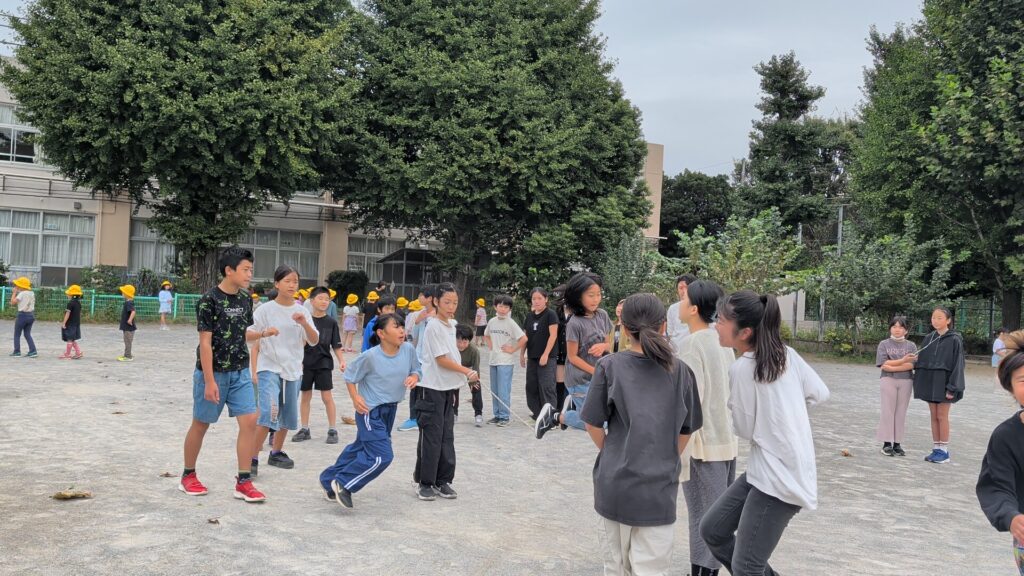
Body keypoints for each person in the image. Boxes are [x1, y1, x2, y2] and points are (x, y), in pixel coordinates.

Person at [700, 291, 830, 576]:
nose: (715, 326)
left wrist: (779, 416)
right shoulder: (787, 355)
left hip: (779, 478)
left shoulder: (743, 368)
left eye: (720, 321)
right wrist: (786, 412)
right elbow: (819, 393)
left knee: (746, 566)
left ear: (745, 332)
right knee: (713, 530)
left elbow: (745, 429)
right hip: (766, 469)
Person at [580, 293, 703, 576]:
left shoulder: (609, 366)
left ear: (623, 327)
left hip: (614, 485)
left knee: (615, 568)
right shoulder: (682, 372)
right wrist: (663, 455)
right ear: (663, 326)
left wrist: (613, 451)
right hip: (658, 492)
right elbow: (686, 430)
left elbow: (592, 424)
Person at [179, 247, 267, 502]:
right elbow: (205, 342)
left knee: (250, 421)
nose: (250, 275)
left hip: (239, 372)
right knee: (201, 423)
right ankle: (188, 475)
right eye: (245, 270)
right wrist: (209, 381)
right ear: (229, 270)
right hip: (213, 373)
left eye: (251, 270)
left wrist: (263, 334)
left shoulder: (245, 299)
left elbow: (241, 333)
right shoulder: (209, 300)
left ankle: (244, 481)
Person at [320, 313, 421, 508]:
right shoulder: (370, 356)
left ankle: (328, 479)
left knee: (361, 448)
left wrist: (414, 377)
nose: (402, 331)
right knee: (381, 456)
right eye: (396, 327)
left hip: (390, 410)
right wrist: (355, 397)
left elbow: (416, 369)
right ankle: (343, 484)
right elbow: (350, 376)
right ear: (381, 333)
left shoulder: (408, 349)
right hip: (370, 412)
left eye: (402, 326)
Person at [678, 280, 738, 576]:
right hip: (725, 440)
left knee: (703, 519)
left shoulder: (691, 344)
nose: (679, 302)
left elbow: (691, 400)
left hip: (702, 444)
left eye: (684, 298)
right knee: (717, 520)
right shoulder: (721, 340)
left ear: (694, 309)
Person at [248, 265, 319, 474]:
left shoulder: (302, 311)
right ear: (277, 284)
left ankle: (276, 452)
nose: (292, 285)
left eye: (295, 281)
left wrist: (304, 324)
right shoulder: (264, 310)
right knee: (269, 412)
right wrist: (264, 333)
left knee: (288, 414)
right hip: (269, 367)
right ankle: (251, 458)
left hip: (293, 369)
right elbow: (247, 335)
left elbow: (314, 340)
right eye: (287, 281)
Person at [413, 282, 476, 501]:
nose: (451, 307)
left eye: (455, 302)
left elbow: (453, 354)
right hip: (431, 388)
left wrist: (464, 373)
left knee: (446, 435)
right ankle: (425, 482)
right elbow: (441, 360)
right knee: (431, 435)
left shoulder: (453, 325)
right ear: (436, 301)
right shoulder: (433, 326)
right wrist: (466, 371)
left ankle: (443, 480)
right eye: (447, 302)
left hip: (450, 388)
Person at [535, 272, 613, 437]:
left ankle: (572, 406)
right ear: (578, 296)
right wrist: (596, 371)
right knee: (596, 422)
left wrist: (603, 346)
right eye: (591, 295)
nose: (596, 299)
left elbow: (609, 344)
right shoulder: (575, 323)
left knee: (608, 416)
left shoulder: (603, 315)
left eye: (598, 294)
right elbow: (572, 357)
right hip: (580, 379)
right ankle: (555, 417)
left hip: (598, 377)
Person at [977, 330, 1024, 574]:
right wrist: (1011, 516)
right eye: (1023, 380)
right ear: (1011, 388)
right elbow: (996, 485)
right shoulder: (1005, 436)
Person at [911, 306, 966, 464]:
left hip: (945, 383)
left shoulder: (955, 339)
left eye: (940, 318)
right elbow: (922, 360)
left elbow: (958, 364)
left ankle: (944, 451)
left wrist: (952, 387)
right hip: (930, 382)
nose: (935, 321)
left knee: (942, 416)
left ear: (948, 320)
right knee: (933, 416)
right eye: (933, 317)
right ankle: (936, 448)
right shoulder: (929, 338)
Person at [293, 287, 347, 445]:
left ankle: (332, 429)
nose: (324, 302)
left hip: (324, 363)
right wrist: (298, 362)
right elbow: (299, 343)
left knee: (327, 397)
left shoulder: (331, 322)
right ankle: (304, 429)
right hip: (306, 363)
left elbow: (336, 345)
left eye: (327, 299)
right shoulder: (305, 320)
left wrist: (342, 360)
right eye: (321, 298)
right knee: (305, 396)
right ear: (311, 301)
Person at [875, 316, 917, 457]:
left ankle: (897, 444)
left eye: (901, 327)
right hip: (888, 380)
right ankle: (887, 444)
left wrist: (892, 366)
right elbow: (882, 364)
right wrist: (903, 361)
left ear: (906, 330)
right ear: (890, 329)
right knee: (888, 411)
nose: (897, 329)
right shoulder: (884, 344)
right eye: (894, 326)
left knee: (901, 412)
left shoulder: (911, 346)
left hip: (906, 381)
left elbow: (911, 365)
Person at [484, 294, 527, 426]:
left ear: (510, 309)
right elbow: (486, 335)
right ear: (495, 307)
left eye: (506, 307)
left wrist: (513, 349)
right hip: (493, 360)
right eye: (500, 306)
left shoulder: (511, 323)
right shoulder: (492, 321)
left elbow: (523, 338)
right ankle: (497, 415)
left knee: (503, 390)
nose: (503, 309)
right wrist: (491, 347)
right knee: (495, 390)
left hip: (506, 361)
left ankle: (504, 416)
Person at [398, 285, 435, 432]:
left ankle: (426, 418)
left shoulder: (439, 315)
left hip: (432, 358)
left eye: (421, 295)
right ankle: (413, 418)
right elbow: (413, 335)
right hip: (419, 356)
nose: (419, 298)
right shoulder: (420, 314)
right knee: (415, 388)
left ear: (430, 298)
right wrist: (418, 321)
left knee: (429, 389)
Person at [522, 287, 559, 420]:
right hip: (532, 356)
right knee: (531, 386)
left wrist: (545, 354)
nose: (536, 301)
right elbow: (525, 336)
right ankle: (537, 413)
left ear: (546, 299)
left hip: (547, 357)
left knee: (547, 386)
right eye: (534, 299)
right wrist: (522, 354)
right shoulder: (529, 316)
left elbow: (553, 335)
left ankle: (550, 417)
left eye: (539, 298)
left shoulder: (550, 314)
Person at [455, 324, 484, 426]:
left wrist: (473, 381)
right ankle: (453, 413)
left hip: (470, 370)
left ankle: (478, 414)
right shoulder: (451, 348)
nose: (461, 345)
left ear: (469, 341)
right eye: (459, 342)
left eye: (464, 342)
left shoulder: (474, 351)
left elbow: (476, 368)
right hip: (455, 370)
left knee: (476, 388)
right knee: (453, 390)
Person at [666, 274, 697, 353]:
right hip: (676, 352)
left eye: (687, 287)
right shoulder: (672, 309)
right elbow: (670, 333)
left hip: (693, 350)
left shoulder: (701, 307)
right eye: (680, 288)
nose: (684, 291)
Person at [10, 276, 37, 358]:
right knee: (27, 334)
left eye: (17, 285)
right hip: (31, 315)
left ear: (21, 286)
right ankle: (33, 351)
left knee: (17, 334)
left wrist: (14, 293)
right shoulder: (32, 293)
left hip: (22, 315)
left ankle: (17, 351)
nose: (16, 287)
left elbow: (13, 302)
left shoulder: (21, 294)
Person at [60, 284, 84, 360]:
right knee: (72, 339)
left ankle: (67, 354)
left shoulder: (70, 303)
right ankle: (78, 353)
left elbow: (67, 314)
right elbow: (79, 314)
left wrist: (64, 323)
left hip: (70, 324)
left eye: (68, 294)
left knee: (69, 339)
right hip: (76, 323)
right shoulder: (78, 303)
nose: (67, 295)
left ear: (72, 295)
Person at [117, 284, 137, 362]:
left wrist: (130, 320)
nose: (122, 293)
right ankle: (127, 354)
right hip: (127, 327)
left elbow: (133, 311)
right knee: (127, 341)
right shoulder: (129, 302)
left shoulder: (129, 303)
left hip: (128, 327)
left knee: (127, 341)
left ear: (126, 294)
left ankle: (128, 356)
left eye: (123, 292)